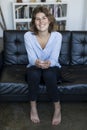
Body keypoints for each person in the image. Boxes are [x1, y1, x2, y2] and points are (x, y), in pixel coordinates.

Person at [24, 6, 62, 125]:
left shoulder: (57, 36)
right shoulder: (28, 36)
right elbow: (31, 58)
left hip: (52, 68)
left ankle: (57, 108)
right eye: (37, 19)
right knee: (34, 73)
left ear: (49, 20)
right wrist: (36, 62)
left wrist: (49, 62)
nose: (41, 22)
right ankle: (33, 108)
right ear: (34, 22)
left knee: (49, 73)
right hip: (34, 67)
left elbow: (54, 58)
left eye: (44, 18)